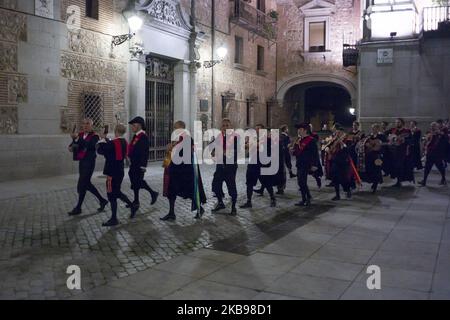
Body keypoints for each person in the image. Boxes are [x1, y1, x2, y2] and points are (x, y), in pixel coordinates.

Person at [161, 120, 206, 220]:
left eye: (176, 128)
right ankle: (171, 213)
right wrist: (169, 151)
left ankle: (199, 208)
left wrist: (172, 149)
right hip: (174, 170)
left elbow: (186, 156)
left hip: (185, 172)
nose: (174, 130)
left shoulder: (188, 139)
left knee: (189, 192)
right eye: (174, 128)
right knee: (171, 191)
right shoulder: (176, 139)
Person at [97, 124, 137, 226]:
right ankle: (132, 205)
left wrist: (102, 139)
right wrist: (105, 139)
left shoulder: (113, 143)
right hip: (119, 171)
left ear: (115, 131)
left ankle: (114, 218)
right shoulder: (124, 142)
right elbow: (112, 148)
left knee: (111, 195)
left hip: (111, 172)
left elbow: (101, 150)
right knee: (117, 192)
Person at [68, 118, 108, 216]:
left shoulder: (95, 136)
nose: (85, 125)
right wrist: (71, 145)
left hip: (89, 162)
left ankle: (78, 207)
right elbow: (74, 145)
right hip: (82, 162)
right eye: (83, 124)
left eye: (87, 124)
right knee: (86, 184)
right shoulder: (80, 135)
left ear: (91, 125)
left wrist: (76, 139)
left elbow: (89, 146)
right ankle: (102, 200)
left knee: (83, 184)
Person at [127, 116, 159, 217]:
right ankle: (139, 199)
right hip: (134, 163)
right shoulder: (136, 136)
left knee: (138, 182)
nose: (132, 126)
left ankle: (138, 202)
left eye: (134, 125)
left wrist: (143, 166)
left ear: (139, 125)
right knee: (135, 182)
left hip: (139, 164)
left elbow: (145, 153)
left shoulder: (143, 136)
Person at [240, 124, 277, 208]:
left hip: (263, 165)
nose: (256, 131)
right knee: (249, 183)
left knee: (267, 183)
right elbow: (245, 147)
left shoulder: (267, 140)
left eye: (259, 129)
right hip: (253, 164)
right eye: (256, 129)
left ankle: (272, 198)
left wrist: (250, 144)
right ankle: (249, 201)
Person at [211, 118, 239, 216]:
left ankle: (233, 207)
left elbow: (237, 151)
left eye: (227, 125)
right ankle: (220, 203)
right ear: (221, 127)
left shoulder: (235, 137)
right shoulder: (219, 137)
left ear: (230, 127)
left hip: (230, 167)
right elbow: (213, 148)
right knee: (216, 185)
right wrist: (213, 152)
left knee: (231, 186)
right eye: (223, 125)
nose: (225, 127)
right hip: (220, 166)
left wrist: (224, 152)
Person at [292, 123, 320, 206]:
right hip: (300, 163)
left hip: (307, 163)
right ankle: (307, 197)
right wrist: (293, 151)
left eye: (300, 129)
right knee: (300, 182)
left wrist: (315, 165)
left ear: (305, 130)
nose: (298, 131)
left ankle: (306, 199)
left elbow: (315, 153)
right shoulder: (299, 140)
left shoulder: (311, 140)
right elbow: (297, 152)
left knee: (302, 182)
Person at [356, 124, 385, 193]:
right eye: (372, 128)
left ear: (378, 129)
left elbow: (384, 146)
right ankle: (371, 182)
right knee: (370, 169)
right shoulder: (369, 136)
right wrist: (365, 144)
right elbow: (362, 143)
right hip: (369, 156)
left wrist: (379, 150)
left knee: (377, 170)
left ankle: (375, 185)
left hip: (377, 156)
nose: (373, 129)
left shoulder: (381, 136)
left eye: (375, 128)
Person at [386, 118, 415, 187]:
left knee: (400, 166)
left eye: (398, 122)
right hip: (393, 151)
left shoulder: (406, 131)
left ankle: (399, 181)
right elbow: (384, 135)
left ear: (402, 123)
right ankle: (398, 180)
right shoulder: (393, 130)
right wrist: (390, 139)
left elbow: (411, 141)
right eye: (396, 122)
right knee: (395, 166)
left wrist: (404, 140)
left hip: (402, 151)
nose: (397, 123)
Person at [327, 125, 352, 200]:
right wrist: (328, 149)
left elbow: (348, 149)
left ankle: (347, 190)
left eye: (339, 132)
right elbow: (328, 146)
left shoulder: (347, 139)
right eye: (337, 132)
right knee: (335, 178)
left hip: (343, 161)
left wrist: (341, 142)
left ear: (342, 133)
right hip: (335, 160)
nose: (337, 134)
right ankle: (337, 194)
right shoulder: (334, 139)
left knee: (344, 178)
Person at [419, 122, 448, 186]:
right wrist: (425, 140)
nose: (432, 127)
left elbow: (445, 140)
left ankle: (443, 179)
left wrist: (440, 134)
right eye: (431, 126)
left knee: (440, 168)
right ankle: (424, 181)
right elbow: (424, 140)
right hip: (430, 153)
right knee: (427, 168)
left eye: (434, 126)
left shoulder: (441, 134)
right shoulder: (429, 133)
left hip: (437, 154)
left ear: (437, 127)